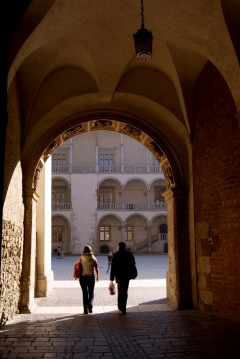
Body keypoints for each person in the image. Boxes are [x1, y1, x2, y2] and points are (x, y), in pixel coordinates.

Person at [110, 241, 136, 315]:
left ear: (119, 247)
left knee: (120, 290)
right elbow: (133, 264)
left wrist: (111, 279)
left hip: (119, 275)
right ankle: (123, 307)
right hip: (126, 275)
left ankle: (120, 306)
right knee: (125, 291)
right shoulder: (129, 254)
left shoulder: (116, 255)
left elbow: (113, 268)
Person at [79, 245, 99, 314]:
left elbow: (79, 266)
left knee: (84, 293)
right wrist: (97, 276)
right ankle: (90, 305)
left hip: (83, 277)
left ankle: (85, 310)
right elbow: (96, 268)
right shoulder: (93, 258)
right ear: (91, 250)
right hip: (91, 277)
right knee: (91, 292)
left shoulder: (81, 258)